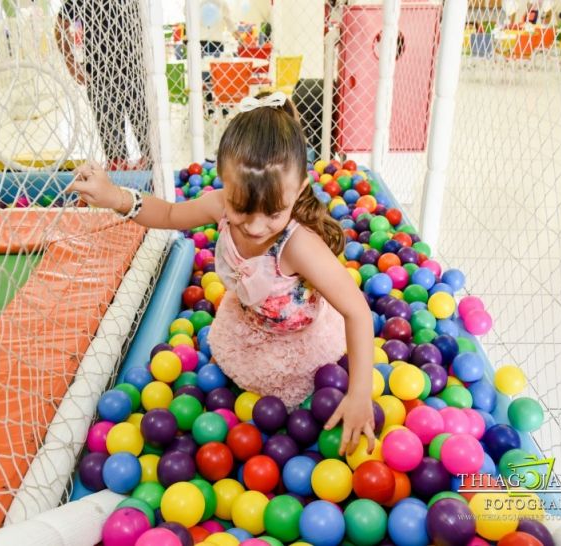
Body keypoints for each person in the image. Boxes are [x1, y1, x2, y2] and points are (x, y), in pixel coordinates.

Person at [67, 92, 376, 456]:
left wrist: (359, 394)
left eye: (273, 213)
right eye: (242, 209)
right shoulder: (219, 207)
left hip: (297, 343)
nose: (257, 227)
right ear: (224, 186)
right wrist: (115, 196)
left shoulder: (299, 246)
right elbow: (168, 215)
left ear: (299, 192)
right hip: (247, 326)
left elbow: (357, 311)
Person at [55, 0, 151, 169]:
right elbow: (60, 26)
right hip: (100, 77)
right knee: (114, 150)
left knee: (149, 141)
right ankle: (119, 183)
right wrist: (71, 62)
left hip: (136, 74)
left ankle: (152, 180)